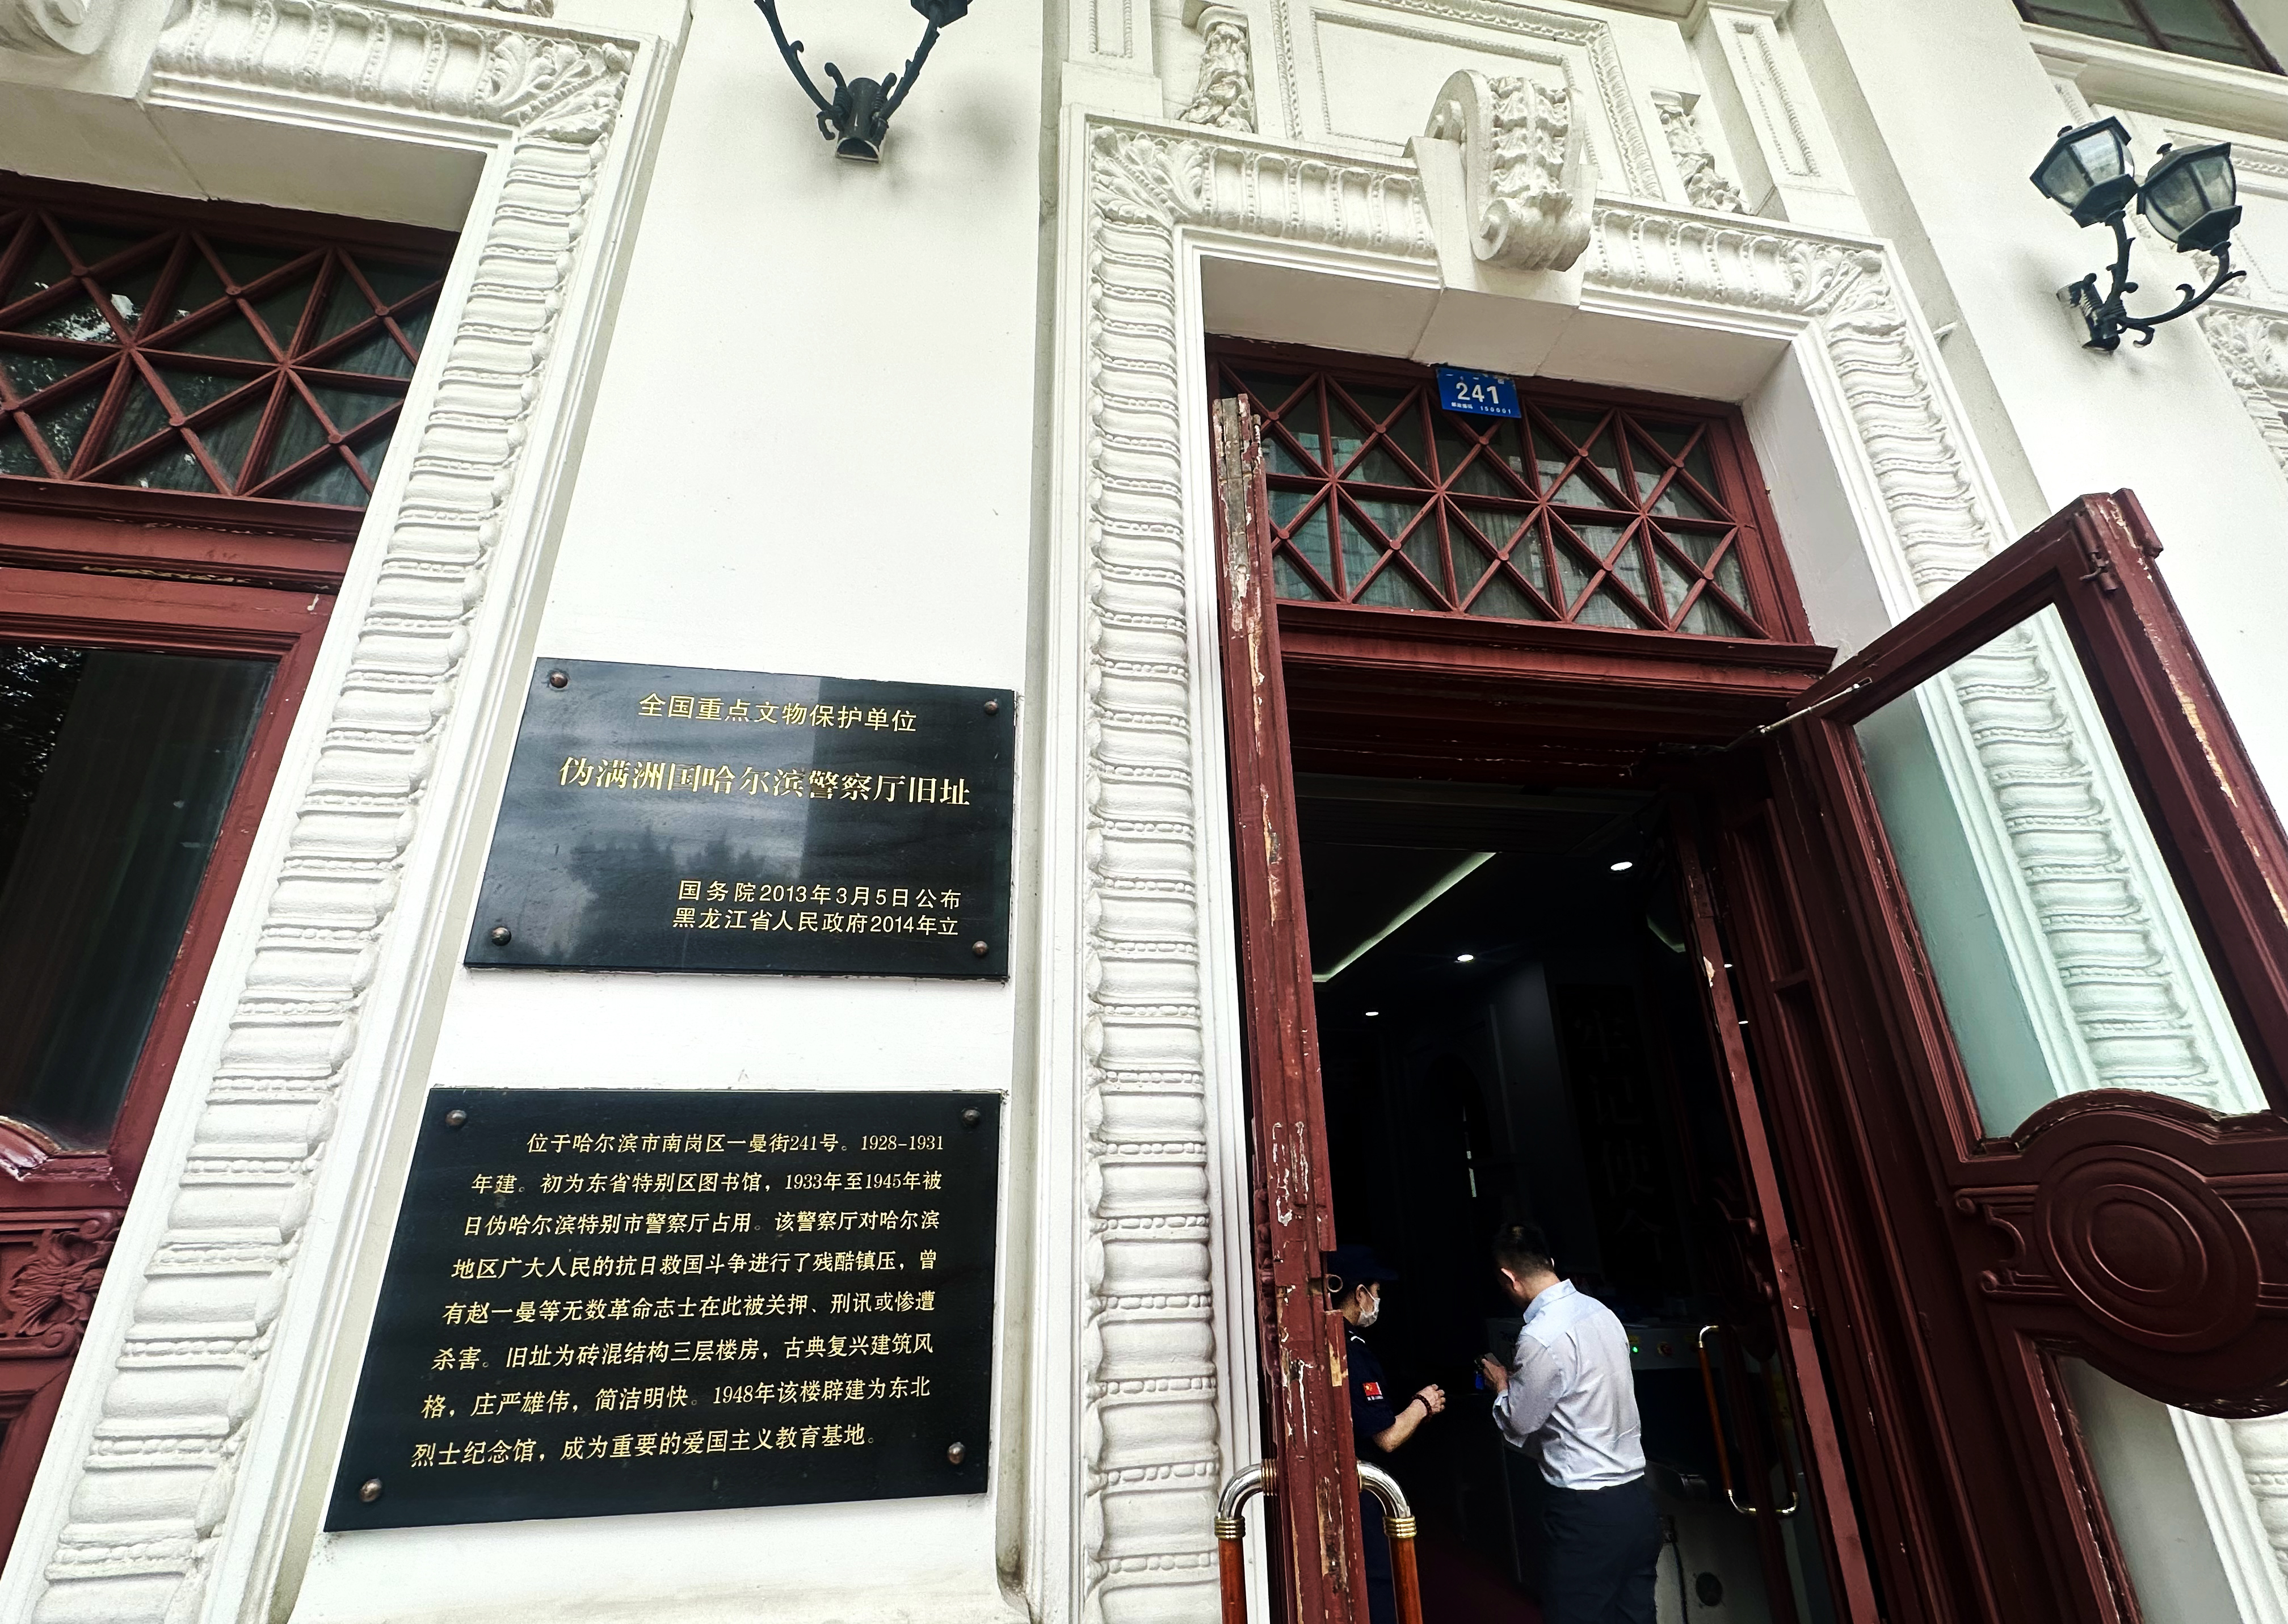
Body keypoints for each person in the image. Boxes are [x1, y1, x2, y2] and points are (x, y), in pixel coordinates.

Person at [1476, 1223, 1660, 1624]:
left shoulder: (1540, 1336)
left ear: (1509, 1278)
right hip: (1636, 1500)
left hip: (1585, 1511)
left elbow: (1519, 1422)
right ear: (1551, 1262)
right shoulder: (1602, 1313)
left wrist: (1502, 1385)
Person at [1328, 1243, 1445, 1624]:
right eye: (1377, 1292)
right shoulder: (1350, 1350)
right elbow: (1387, 1437)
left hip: (1343, 1488)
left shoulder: (1334, 1340)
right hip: (1361, 1491)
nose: (1378, 1301)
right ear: (1360, 1293)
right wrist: (1424, 1404)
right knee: (1380, 1585)